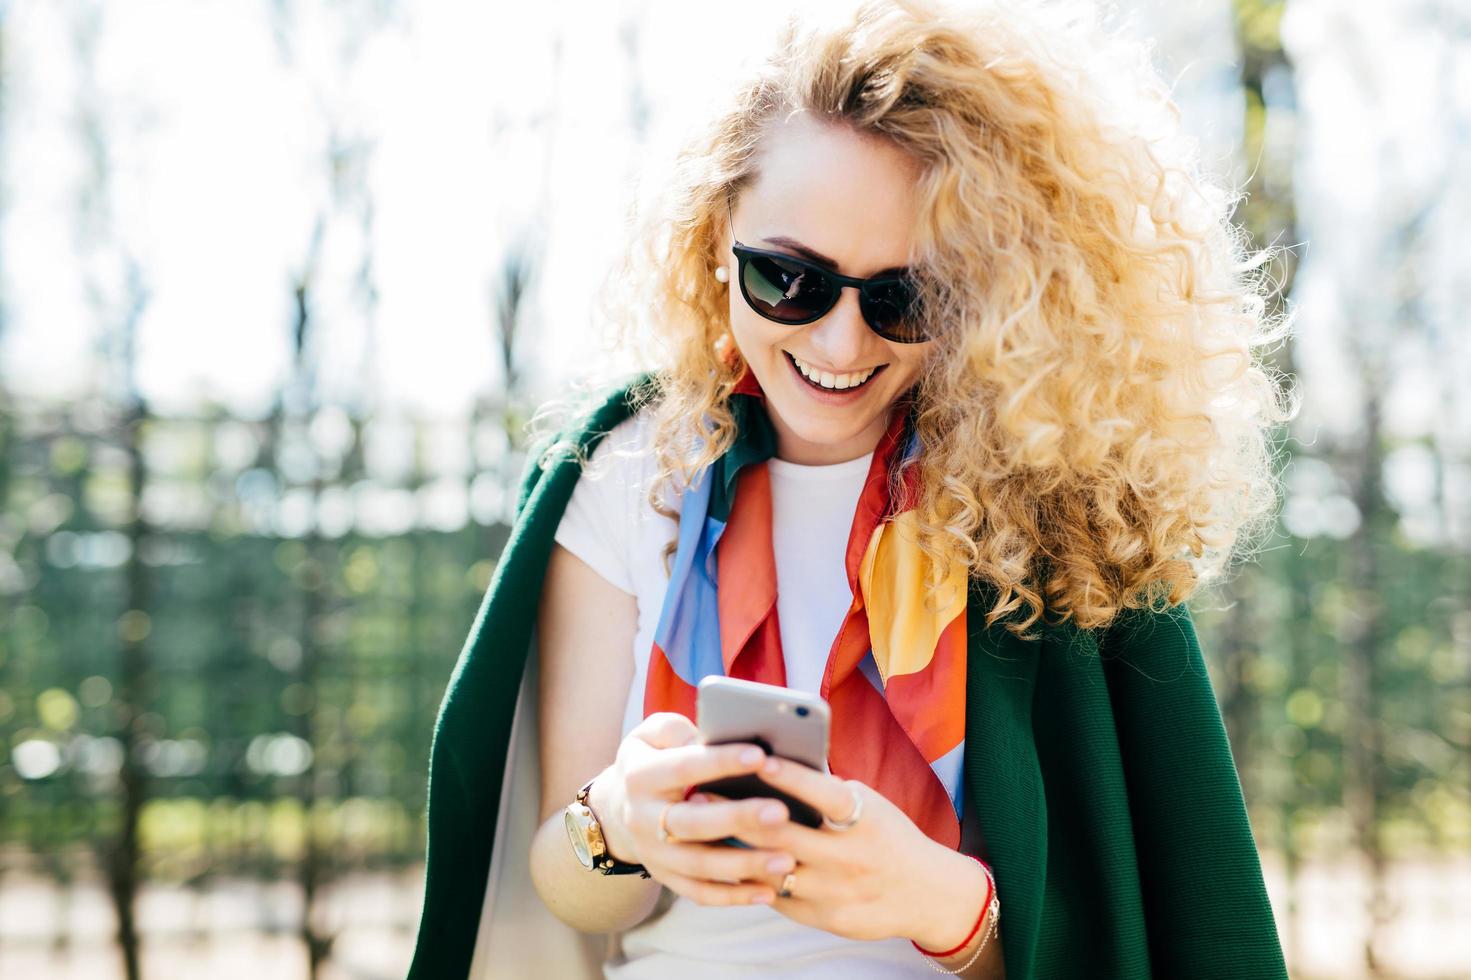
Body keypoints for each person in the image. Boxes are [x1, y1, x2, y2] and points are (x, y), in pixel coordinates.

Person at [406, 0, 1297, 977]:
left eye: (904, 297)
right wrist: (619, 818)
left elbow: (1133, 928)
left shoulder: (1052, 497)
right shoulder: (628, 472)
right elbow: (563, 888)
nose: (839, 345)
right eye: (788, 279)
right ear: (714, 237)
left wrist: (938, 900)